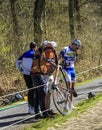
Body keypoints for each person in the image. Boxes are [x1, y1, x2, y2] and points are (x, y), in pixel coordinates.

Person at [31, 40, 57, 119]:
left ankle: (37, 113)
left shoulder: (38, 51)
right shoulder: (41, 51)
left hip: (34, 74)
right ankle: (44, 113)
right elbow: (47, 60)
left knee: (38, 94)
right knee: (43, 93)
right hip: (38, 74)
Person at [59, 39, 81, 110]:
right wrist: (60, 64)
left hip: (72, 70)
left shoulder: (75, 52)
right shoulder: (65, 49)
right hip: (66, 70)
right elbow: (58, 57)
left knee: (72, 89)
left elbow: (74, 61)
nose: (77, 48)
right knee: (69, 88)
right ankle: (66, 105)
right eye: (77, 46)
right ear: (73, 44)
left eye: (78, 47)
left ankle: (71, 104)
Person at [16, 42, 37, 114]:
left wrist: (21, 69)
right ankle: (33, 107)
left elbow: (18, 61)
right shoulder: (35, 53)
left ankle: (30, 107)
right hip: (33, 74)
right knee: (34, 90)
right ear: (35, 47)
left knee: (30, 89)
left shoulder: (25, 54)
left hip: (25, 73)